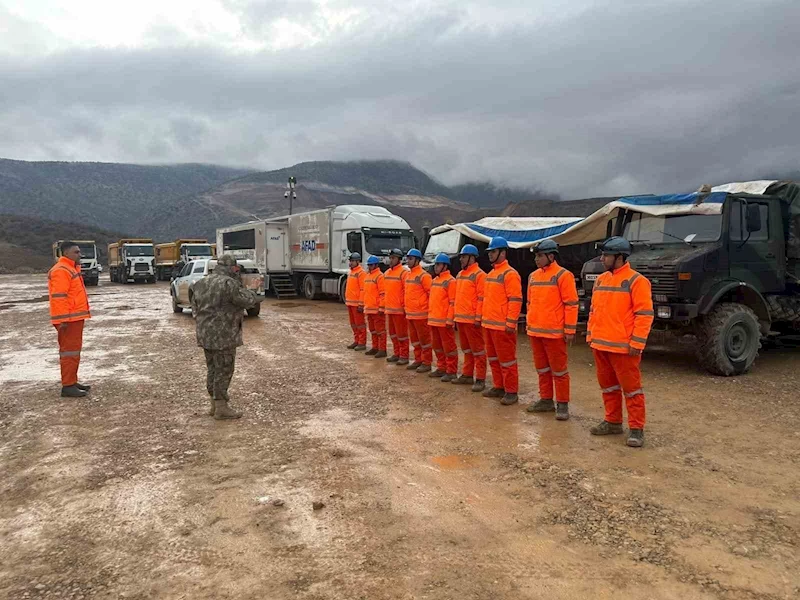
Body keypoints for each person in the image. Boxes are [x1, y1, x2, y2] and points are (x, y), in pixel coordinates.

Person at [586, 236, 654, 447]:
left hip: (624, 348)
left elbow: (644, 314)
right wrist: (590, 335)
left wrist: (637, 342)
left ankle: (636, 428)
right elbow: (594, 311)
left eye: (606, 255)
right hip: (601, 344)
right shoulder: (601, 280)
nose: (603, 258)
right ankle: (613, 421)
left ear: (619, 257)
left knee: (632, 389)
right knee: (608, 387)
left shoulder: (637, 281)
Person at [192, 255, 258, 420]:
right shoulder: (228, 284)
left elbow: (194, 307)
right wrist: (252, 289)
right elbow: (248, 301)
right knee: (224, 369)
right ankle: (221, 407)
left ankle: (214, 405)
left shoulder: (201, 283)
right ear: (232, 268)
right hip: (224, 335)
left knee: (213, 368)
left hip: (205, 334)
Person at [525, 239, 579, 421]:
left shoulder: (564, 276)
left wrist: (569, 330)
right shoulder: (533, 276)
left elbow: (571, 304)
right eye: (536, 256)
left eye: (539, 256)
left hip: (554, 333)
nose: (536, 259)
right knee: (542, 369)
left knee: (559, 371)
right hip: (536, 331)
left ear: (551, 256)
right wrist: (529, 326)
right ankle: (546, 400)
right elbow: (530, 303)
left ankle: (562, 404)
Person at [481, 237, 523, 405]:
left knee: (507, 360)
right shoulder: (491, 274)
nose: (490, 255)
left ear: (503, 252)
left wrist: (510, 323)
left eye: (493, 251)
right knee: (493, 358)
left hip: (502, 327)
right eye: (489, 252)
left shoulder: (510, 274)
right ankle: (499, 386)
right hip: (489, 324)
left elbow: (515, 299)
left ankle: (511, 391)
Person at [48, 241, 92, 398]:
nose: (80, 255)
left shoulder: (71, 268)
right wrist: (62, 320)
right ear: (66, 253)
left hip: (74, 317)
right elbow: (59, 296)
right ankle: (67, 386)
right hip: (68, 320)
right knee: (69, 352)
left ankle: (71, 381)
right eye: (76, 252)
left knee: (73, 352)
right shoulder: (62, 270)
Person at [452, 244, 487, 392]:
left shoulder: (480, 275)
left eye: (464, 257)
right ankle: (467, 374)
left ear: (472, 258)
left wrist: (478, 318)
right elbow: (456, 298)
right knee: (466, 349)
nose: (461, 259)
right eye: (461, 257)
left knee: (478, 351)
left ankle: (480, 378)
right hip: (461, 319)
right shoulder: (460, 275)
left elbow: (481, 298)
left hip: (472, 320)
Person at [427, 253, 458, 382]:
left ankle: (451, 371)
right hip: (434, 320)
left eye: (438, 264)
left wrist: (450, 319)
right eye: (435, 264)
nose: (436, 267)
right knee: (437, 346)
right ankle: (441, 367)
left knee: (449, 348)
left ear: (445, 266)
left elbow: (452, 302)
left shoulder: (451, 281)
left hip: (444, 321)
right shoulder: (434, 281)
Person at [404, 248, 433, 373]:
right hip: (410, 314)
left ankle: (426, 362)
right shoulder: (409, 275)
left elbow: (431, 294)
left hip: (421, 314)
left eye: (410, 259)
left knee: (425, 341)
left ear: (417, 260)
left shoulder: (424, 276)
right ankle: (418, 359)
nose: (408, 261)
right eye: (408, 258)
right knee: (415, 340)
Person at [383, 248, 410, 365]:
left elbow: (406, 291)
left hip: (399, 310)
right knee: (393, 334)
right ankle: (397, 353)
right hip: (390, 309)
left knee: (402, 335)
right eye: (390, 258)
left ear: (399, 259)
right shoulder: (387, 273)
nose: (391, 260)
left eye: (393, 258)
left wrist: (404, 307)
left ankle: (404, 355)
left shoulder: (404, 273)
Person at [363, 255, 387, 358]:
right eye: (368, 265)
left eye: (371, 265)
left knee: (380, 331)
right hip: (369, 308)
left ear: (376, 265)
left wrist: (381, 307)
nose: (369, 267)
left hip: (377, 309)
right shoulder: (368, 276)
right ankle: (375, 347)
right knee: (373, 330)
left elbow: (383, 293)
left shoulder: (379, 276)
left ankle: (382, 349)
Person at [344, 252, 368, 351]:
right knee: (353, 324)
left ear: (358, 261)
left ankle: (362, 343)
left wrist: (361, 304)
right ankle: (357, 340)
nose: (351, 263)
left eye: (353, 261)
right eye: (350, 261)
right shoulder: (351, 272)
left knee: (360, 324)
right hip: (350, 302)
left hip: (357, 303)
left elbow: (363, 289)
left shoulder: (361, 273)